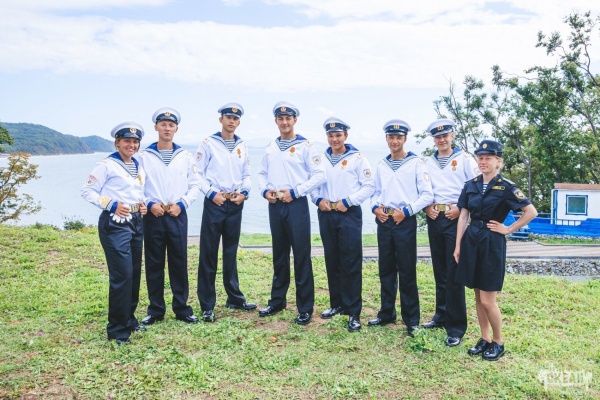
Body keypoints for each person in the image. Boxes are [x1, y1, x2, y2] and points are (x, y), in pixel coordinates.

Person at [454, 139, 537, 361]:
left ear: (498, 161)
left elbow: (531, 212)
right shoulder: (470, 185)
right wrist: (458, 245)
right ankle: (485, 338)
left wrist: (508, 229)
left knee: (488, 299)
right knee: (477, 296)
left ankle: (498, 342)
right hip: (472, 240)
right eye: (480, 158)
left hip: (492, 242)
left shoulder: (507, 187)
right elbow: (463, 216)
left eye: (488, 158)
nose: (483, 161)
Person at [257, 101, 327, 325]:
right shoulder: (271, 146)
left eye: (288, 118)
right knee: (279, 255)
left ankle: (305, 308)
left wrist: (296, 192)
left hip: (296, 205)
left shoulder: (306, 146)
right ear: (276, 121)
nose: (284, 122)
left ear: (295, 120)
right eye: (281, 118)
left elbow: (320, 175)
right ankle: (277, 301)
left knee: (301, 256)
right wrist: (264, 191)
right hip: (275, 204)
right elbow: (262, 173)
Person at [81, 121, 148, 345]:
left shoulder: (137, 164)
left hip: (136, 221)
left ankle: (129, 318)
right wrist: (110, 204)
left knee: (134, 272)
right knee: (122, 275)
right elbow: (87, 191)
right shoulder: (106, 165)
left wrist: (143, 204)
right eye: (127, 141)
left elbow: (136, 191)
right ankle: (117, 330)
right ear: (117, 142)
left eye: (135, 141)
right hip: (115, 223)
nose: (132, 145)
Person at [368, 119, 433, 337]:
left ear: (405, 139)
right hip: (384, 220)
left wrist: (406, 211)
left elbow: (427, 195)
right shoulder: (382, 165)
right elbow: (375, 192)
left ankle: (411, 319)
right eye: (391, 137)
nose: (394, 141)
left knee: (406, 270)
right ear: (386, 138)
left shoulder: (416, 163)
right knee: (385, 269)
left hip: (404, 220)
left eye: (398, 137)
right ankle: (387, 312)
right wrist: (375, 208)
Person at [137, 107, 201, 326]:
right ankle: (156, 310)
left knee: (178, 262)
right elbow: (136, 186)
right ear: (156, 127)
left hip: (176, 214)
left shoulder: (185, 156)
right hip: (153, 215)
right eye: (163, 124)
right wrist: (149, 203)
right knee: (153, 263)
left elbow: (195, 185)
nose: (167, 128)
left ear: (176, 129)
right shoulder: (144, 157)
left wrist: (182, 205)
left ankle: (182, 308)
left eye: (171, 125)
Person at [310, 117, 374, 332]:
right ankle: (336, 303)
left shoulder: (357, 158)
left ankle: (353, 311)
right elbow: (313, 185)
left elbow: (369, 186)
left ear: (345, 136)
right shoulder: (321, 159)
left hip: (348, 213)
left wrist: (349, 201)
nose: (334, 139)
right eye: (331, 135)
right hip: (327, 213)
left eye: (338, 135)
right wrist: (318, 200)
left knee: (351, 262)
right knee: (333, 259)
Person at [195, 102, 256, 323]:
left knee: (230, 252)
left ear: (239, 122)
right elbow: (197, 174)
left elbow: (246, 175)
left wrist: (245, 193)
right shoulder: (208, 143)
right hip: (215, 202)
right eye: (228, 117)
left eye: (236, 118)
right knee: (209, 253)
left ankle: (234, 298)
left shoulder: (242, 145)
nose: (232, 121)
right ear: (221, 119)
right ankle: (207, 305)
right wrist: (211, 193)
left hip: (235, 203)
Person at [422, 119, 480, 347]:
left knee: (454, 272)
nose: (441, 140)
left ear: (452, 135)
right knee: (440, 270)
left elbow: (475, 187)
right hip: (435, 217)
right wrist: (426, 207)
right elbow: (422, 189)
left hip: (456, 217)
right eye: (437, 137)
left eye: (445, 135)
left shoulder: (465, 159)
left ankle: (456, 327)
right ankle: (441, 314)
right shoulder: (428, 162)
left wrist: (461, 208)